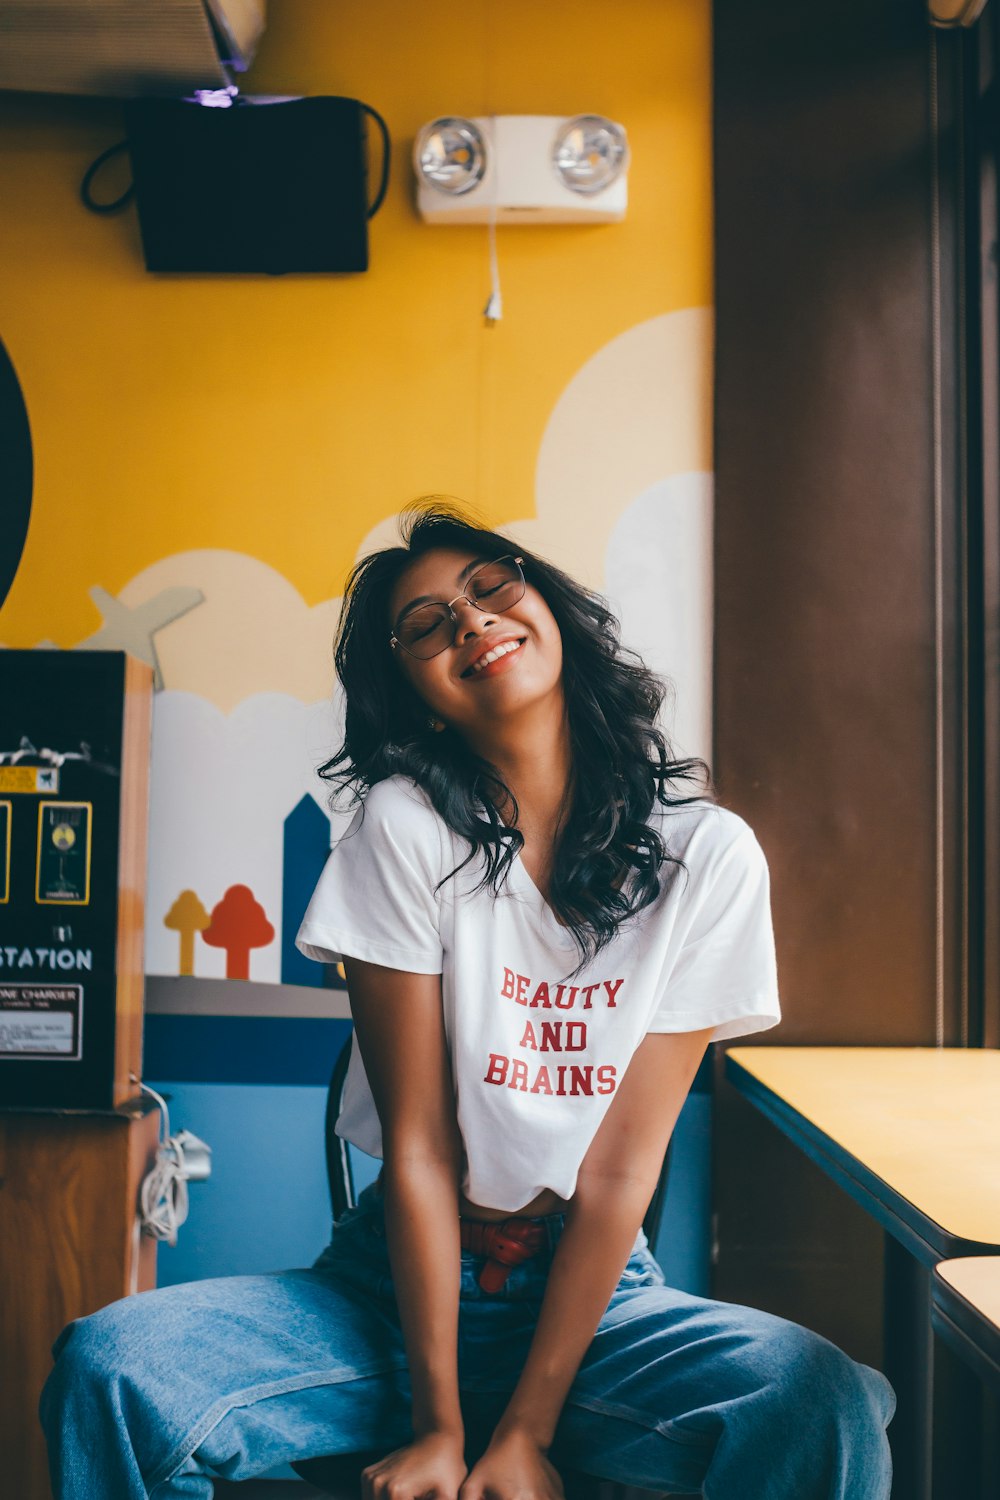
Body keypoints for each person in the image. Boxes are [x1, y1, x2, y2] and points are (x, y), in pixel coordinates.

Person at [40, 502, 895, 1500]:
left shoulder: (706, 857)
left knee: (819, 1401)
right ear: (414, 693)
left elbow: (621, 1175)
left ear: (553, 608)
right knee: (112, 1368)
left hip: (597, 1301)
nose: (469, 621)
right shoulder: (403, 831)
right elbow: (418, 1148)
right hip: (387, 1295)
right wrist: (437, 1426)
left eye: (490, 588)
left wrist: (525, 1431)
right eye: (427, 625)